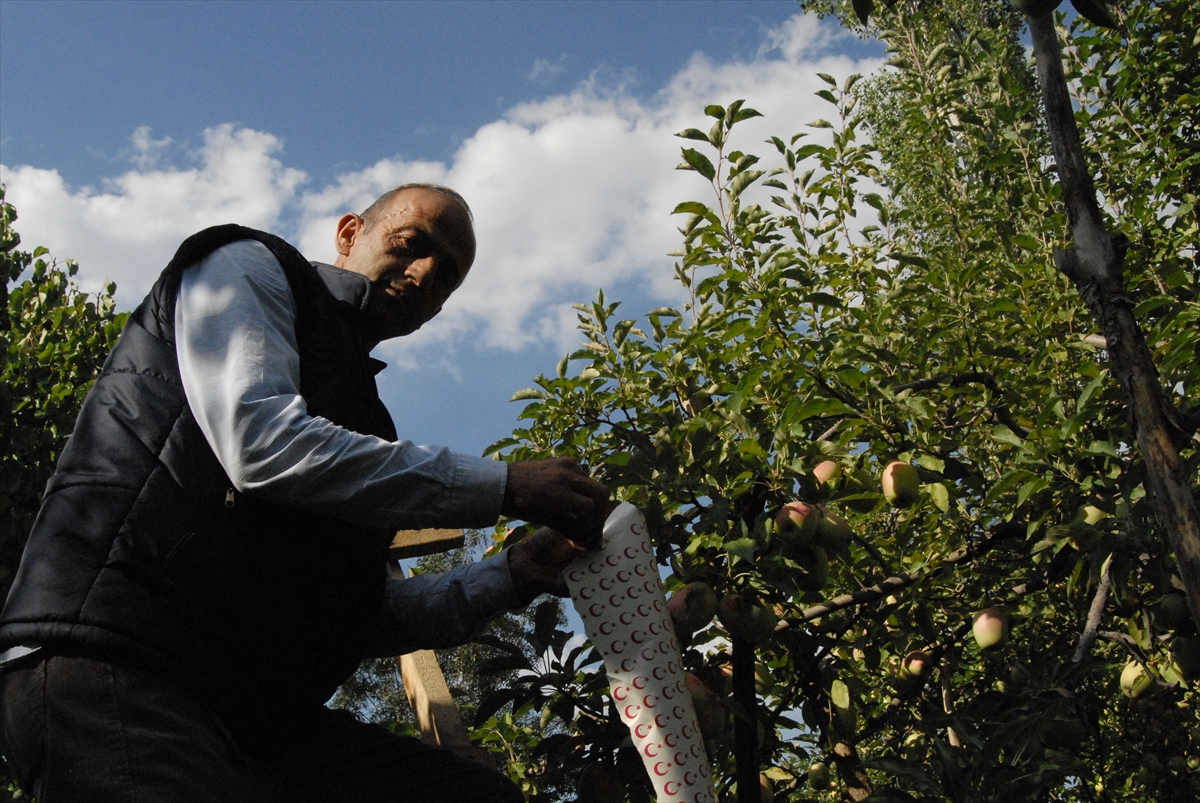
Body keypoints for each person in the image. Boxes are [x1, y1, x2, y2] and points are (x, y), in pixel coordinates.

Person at [0, 184, 609, 802]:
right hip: (122, 661)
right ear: (349, 235)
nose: (425, 274)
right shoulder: (247, 265)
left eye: (447, 276)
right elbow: (261, 443)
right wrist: (505, 484)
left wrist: (515, 572)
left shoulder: (364, 426)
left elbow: (354, 614)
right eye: (411, 245)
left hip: (252, 715)